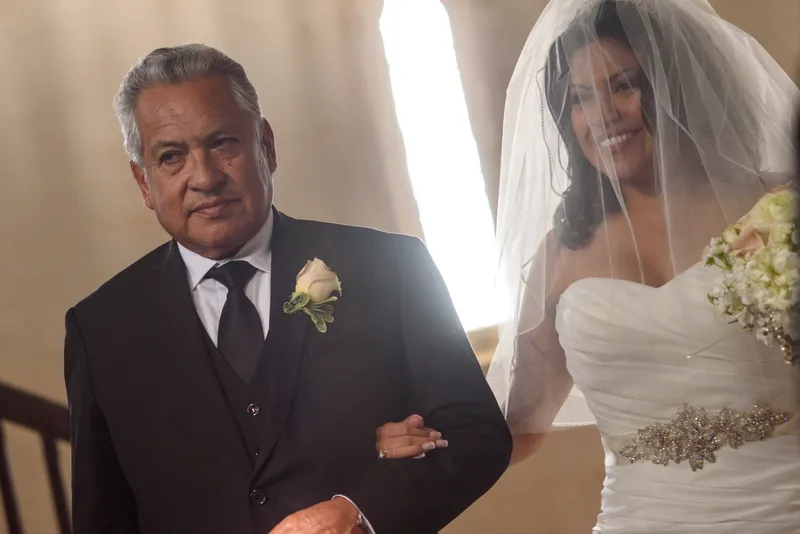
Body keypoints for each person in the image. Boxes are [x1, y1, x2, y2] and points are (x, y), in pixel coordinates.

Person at [375, 0, 800, 532]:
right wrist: (414, 443)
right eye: (579, 99)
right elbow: (512, 430)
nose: (602, 115)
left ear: (673, 90)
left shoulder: (777, 209)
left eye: (624, 86)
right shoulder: (560, 255)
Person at [64, 44, 512, 534]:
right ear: (144, 183)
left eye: (223, 143)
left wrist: (357, 512)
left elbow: (476, 434)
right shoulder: (100, 329)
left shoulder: (391, 268)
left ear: (267, 147)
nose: (205, 177)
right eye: (172, 157)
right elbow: (102, 519)